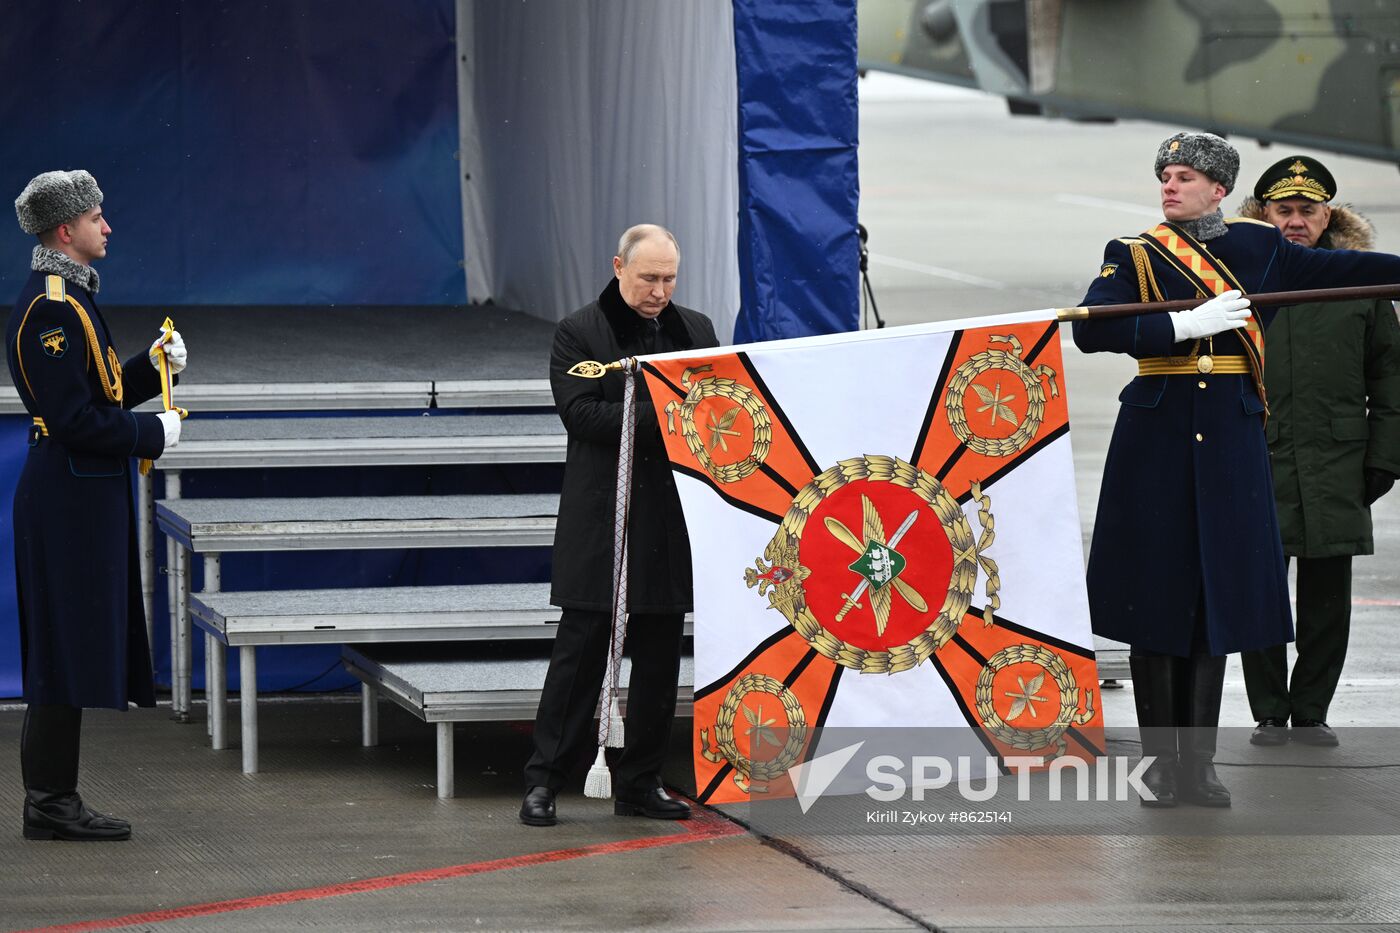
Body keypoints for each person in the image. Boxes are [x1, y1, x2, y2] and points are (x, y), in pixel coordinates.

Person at [1072, 133, 1400, 808]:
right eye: (1164, 174)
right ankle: (1162, 766)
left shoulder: (1258, 250)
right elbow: (1092, 327)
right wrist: (1183, 326)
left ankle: (1201, 766)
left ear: (1219, 189)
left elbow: (1350, 271)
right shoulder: (1133, 253)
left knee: (1209, 608)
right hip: (1156, 441)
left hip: (1229, 440)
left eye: (1185, 176)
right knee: (1155, 606)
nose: (1169, 185)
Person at [7, 170, 186, 840]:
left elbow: (98, 389)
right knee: (60, 649)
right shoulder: (52, 307)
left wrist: (153, 367)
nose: (106, 225)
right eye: (95, 216)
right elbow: (76, 418)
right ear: (64, 230)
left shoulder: (73, 297)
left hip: (79, 494)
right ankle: (48, 800)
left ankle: (54, 796)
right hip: (65, 497)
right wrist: (152, 433)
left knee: (71, 645)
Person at [520, 224, 718, 826]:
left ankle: (640, 782)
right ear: (618, 267)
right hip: (603, 517)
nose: (660, 290)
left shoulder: (698, 331)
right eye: (648, 278)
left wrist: (672, 415)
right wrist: (669, 412)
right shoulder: (579, 331)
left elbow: (717, 412)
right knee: (580, 656)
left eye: (669, 278)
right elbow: (583, 417)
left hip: (669, 520)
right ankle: (545, 782)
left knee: (659, 662)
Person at [1236, 156, 1400, 748]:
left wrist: (1384, 457)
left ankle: (1310, 710)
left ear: (1328, 214)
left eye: (1308, 210)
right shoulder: (1238, 281)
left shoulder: (1358, 282)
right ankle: (1268, 712)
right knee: (1259, 590)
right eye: (1285, 211)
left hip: (1338, 459)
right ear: (1264, 214)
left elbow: (1389, 375)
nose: (1297, 222)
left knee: (1327, 596)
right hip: (1258, 456)